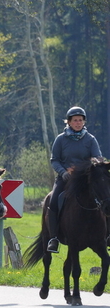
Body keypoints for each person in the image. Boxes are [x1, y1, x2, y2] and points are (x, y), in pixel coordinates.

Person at [47, 106, 102, 253]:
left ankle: (107, 235)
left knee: (104, 198)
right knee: (53, 201)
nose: (78, 123)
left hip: (85, 180)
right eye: (75, 120)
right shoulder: (61, 139)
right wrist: (63, 172)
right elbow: (54, 160)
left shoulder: (90, 140)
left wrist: (96, 162)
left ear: (84, 122)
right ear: (69, 122)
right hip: (65, 179)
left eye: (80, 120)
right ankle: (53, 238)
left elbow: (97, 158)